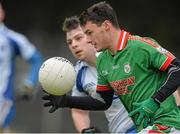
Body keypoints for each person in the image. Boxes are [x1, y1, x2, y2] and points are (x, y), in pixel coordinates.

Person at [42, 1, 180, 133]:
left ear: (106, 25)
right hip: (143, 128)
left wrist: (154, 100)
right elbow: (103, 101)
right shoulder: (103, 60)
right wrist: (66, 101)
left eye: (89, 33)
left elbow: (176, 69)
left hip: (166, 125)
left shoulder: (141, 46)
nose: (88, 40)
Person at [62, 16, 135, 133]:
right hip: (121, 130)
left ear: (90, 35)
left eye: (78, 38)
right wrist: (84, 130)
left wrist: (175, 110)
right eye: (69, 42)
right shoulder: (78, 75)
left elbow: (162, 75)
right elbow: (78, 111)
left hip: (151, 125)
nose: (74, 45)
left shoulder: (123, 53)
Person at [0, 2, 42, 133]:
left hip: (2, 100)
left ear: (2, 13)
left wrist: (29, 83)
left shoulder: (12, 39)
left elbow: (36, 59)